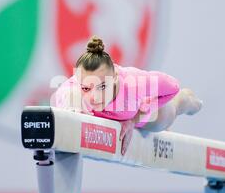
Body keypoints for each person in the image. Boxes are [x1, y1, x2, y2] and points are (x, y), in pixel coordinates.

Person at [53, 35, 203, 155]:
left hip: (150, 116)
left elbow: (173, 86)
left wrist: (133, 119)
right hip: (124, 116)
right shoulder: (73, 87)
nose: (95, 97)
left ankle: (187, 100)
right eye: (86, 88)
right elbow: (61, 101)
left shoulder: (134, 82)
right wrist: (73, 108)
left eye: (103, 86)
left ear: (116, 77)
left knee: (169, 114)